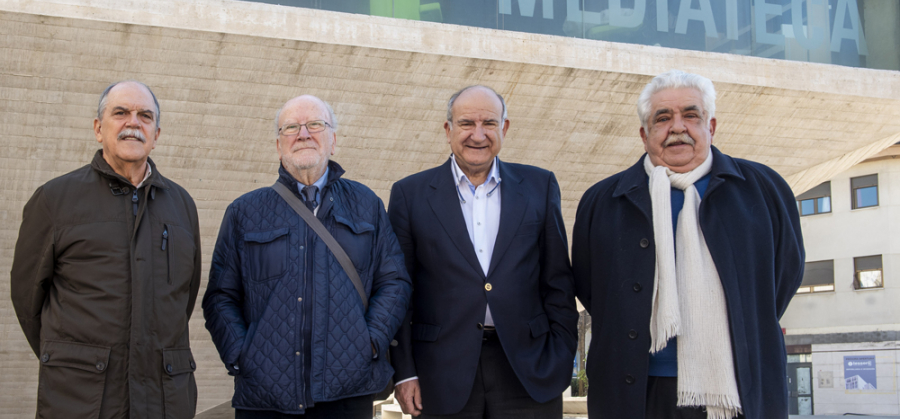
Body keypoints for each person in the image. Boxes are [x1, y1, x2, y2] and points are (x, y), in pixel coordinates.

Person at [572, 70, 805, 419]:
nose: (677, 127)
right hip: (637, 392)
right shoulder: (604, 200)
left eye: (691, 115)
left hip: (735, 390)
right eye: (662, 118)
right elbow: (591, 289)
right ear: (644, 133)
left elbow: (784, 276)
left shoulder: (763, 189)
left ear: (710, 127)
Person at [202, 95, 411, 418]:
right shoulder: (245, 212)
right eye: (291, 127)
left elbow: (394, 282)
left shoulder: (365, 204)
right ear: (278, 144)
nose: (303, 134)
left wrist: (368, 343)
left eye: (315, 125)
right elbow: (220, 297)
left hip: (347, 392)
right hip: (265, 397)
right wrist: (244, 356)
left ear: (333, 140)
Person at [11, 80, 202, 419]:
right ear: (99, 129)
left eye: (145, 115)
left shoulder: (182, 205)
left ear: (157, 134)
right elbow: (28, 300)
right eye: (121, 113)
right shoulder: (55, 200)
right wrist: (73, 359)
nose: (134, 123)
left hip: (163, 400)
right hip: (80, 400)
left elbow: (182, 298)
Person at [388, 85, 578, 418]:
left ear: (504, 128)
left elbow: (558, 282)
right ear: (448, 130)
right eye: (466, 124)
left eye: (489, 123)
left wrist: (561, 357)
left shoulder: (540, 186)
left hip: (529, 371)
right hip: (440, 374)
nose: (478, 135)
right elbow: (399, 293)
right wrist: (404, 371)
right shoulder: (409, 195)